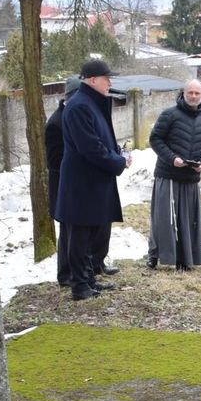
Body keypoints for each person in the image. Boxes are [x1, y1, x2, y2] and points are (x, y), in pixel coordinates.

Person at [56, 59, 132, 300]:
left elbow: (101, 142)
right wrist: (118, 162)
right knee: (80, 235)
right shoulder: (79, 106)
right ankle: (80, 286)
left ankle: (89, 280)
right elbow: (91, 148)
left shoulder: (91, 103)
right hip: (82, 184)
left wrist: (117, 154)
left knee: (90, 235)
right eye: (106, 78)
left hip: (94, 182)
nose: (110, 82)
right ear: (92, 80)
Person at [147, 79, 201, 270]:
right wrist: (172, 158)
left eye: (197, 93)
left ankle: (185, 258)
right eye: (190, 93)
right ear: (183, 93)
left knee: (188, 220)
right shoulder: (169, 115)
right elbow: (155, 139)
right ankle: (154, 254)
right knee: (164, 218)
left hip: (190, 178)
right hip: (168, 175)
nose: (193, 96)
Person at [44, 76, 78, 287]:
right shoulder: (56, 122)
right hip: (63, 186)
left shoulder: (73, 117)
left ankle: (81, 269)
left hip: (75, 184)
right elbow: (54, 161)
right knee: (68, 232)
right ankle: (65, 274)